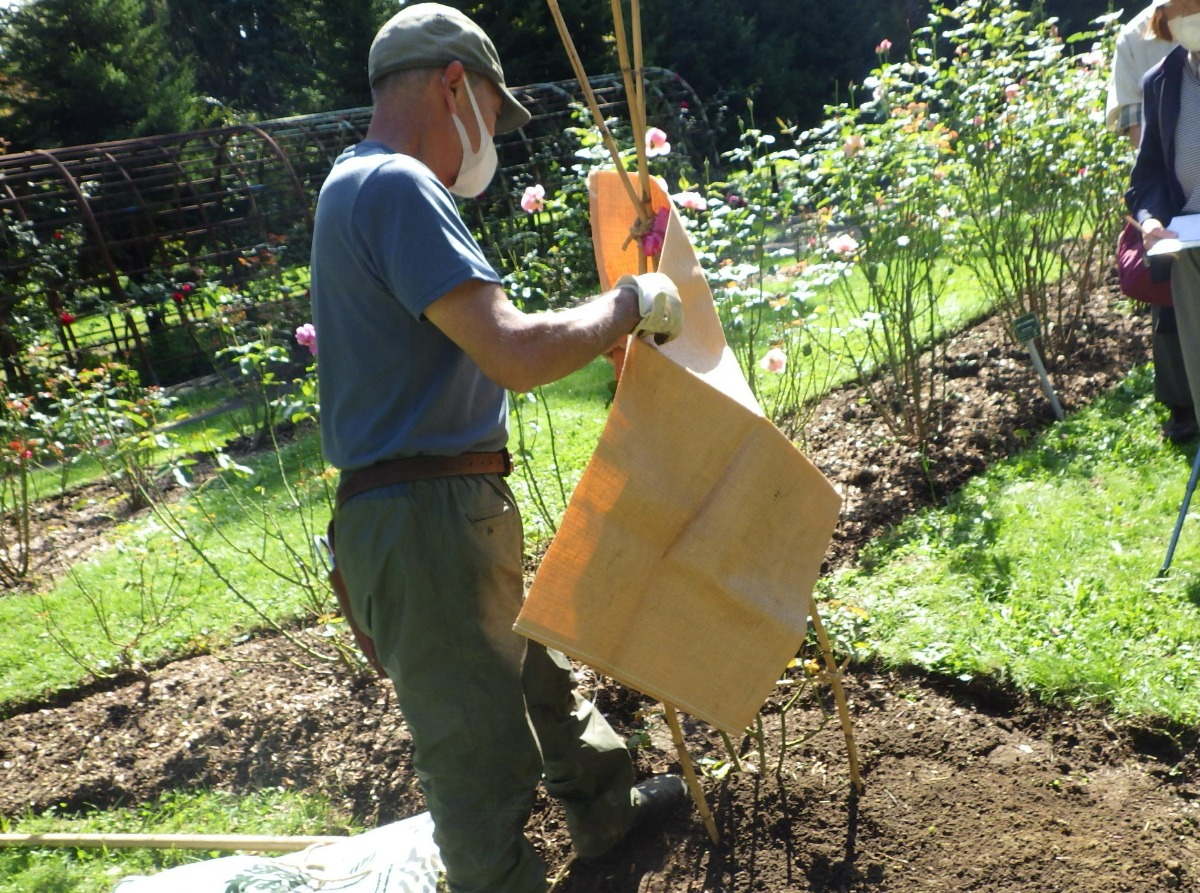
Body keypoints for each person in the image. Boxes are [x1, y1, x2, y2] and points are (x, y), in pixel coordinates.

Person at [309, 5, 689, 892]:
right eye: (492, 106)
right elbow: (515, 350)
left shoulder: (356, 185)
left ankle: (603, 810)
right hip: (423, 516)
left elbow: (474, 338)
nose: (496, 140)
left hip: (436, 507)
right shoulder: (396, 186)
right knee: (477, 764)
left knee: (531, 668)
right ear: (453, 85)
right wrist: (631, 301)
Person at [1108, 2, 1198, 443]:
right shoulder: (1158, 78)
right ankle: (1185, 407)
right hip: (1186, 242)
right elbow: (1148, 172)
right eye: (1180, 9)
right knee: (1180, 334)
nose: (1191, 15)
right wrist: (1151, 219)